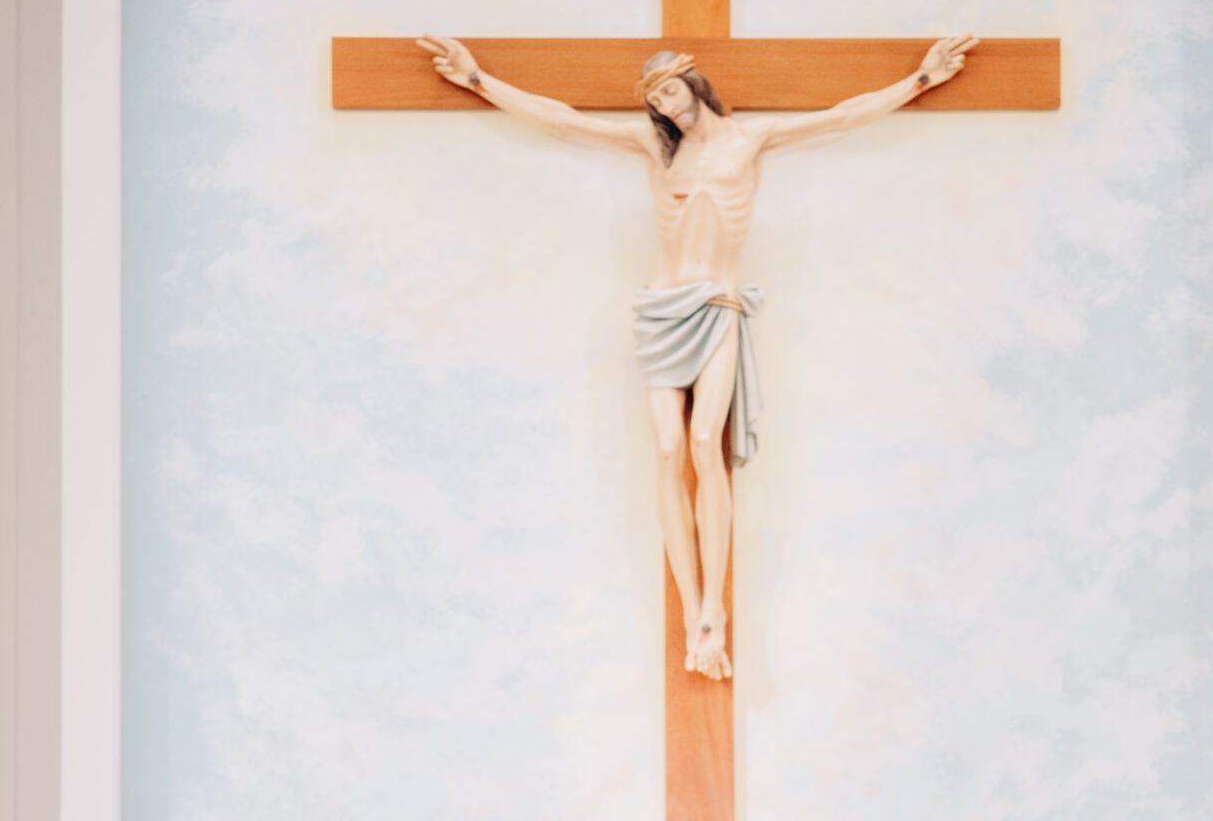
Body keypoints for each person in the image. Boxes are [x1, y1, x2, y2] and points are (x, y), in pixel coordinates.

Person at [414, 33, 974, 677]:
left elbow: (842, 116)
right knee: (666, 450)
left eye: (670, 89)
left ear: (694, 83)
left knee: (706, 444)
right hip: (661, 310)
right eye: (654, 98)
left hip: (717, 306)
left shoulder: (751, 139)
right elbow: (562, 120)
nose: (664, 104)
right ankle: (691, 613)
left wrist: (922, 80)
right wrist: (477, 79)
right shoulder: (654, 147)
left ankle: (714, 609)